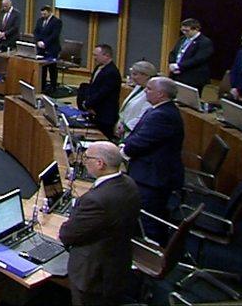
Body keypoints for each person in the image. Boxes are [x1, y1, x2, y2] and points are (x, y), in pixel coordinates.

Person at [58, 141, 141, 306]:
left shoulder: (96, 200)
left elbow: (67, 235)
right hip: (118, 262)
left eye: (87, 157)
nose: (84, 161)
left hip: (93, 274)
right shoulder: (129, 183)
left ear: (100, 164)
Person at [120, 76, 185, 243]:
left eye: (149, 89)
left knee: (148, 219)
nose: (145, 91)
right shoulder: (158, 110)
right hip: (150, 170)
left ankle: (154, 255)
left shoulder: (163, 115)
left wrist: (124, 148)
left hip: (153, 177)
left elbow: (141, 142)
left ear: (161, 94)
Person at [77, 44, 122, 140]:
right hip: (95, 111)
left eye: (96, 55)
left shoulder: (111, 72)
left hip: (105, 114)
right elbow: (93, 87)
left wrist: (87, 104)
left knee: (104, 139)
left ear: (106, 55)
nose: (94, 58)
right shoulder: (99, 68)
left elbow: (102, 93)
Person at [167, 18, 214, 92]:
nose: (184, 33)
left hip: (192, 77)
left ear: (196, 29)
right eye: (183, 30)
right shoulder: (182, 39)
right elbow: (173, 52)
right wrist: (171, 63)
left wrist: (179, 66)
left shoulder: (205, 42)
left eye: (187, 31)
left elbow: (198, 59)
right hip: (176, 75)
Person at [115, 61, 158, 139]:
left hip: (136, 132)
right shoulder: (138, 87)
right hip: (125, 129)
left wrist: (126, 127)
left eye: (135, 74)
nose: (132, 77)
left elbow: (144, 115)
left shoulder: (151, 92)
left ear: (146, 75)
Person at [33, 5, 62, 92]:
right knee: (42, 68)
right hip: (41, 48)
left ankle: (53, 86)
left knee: (52, 68)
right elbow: (36, 32)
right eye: (42, 14)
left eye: (45, 14)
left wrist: (45, 43)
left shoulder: (57, 21)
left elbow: (55, 35)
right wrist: (38, 41)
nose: (43, 16)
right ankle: (42, 86)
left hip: (52, 48)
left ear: (49, 12)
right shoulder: (40, 20)